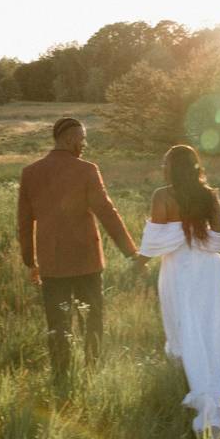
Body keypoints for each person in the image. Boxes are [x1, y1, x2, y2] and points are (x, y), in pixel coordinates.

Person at [17, 117, 142, 381]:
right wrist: (131, 252)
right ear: (70, 139)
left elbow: (24, 222)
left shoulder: (30, 173)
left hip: (51, 262)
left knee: (58, 323)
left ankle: (61, 376)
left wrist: (31, 262)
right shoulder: (86, 170)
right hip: (86, 260)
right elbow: (107, 213)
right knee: (92, 321)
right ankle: (92, 373)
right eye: (82, 139)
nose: (84, 145)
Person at [136, 145, 220, 439]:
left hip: (179, 269)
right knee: (211, 322)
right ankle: (215, 386)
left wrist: (138, 262)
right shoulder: (209, 196)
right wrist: (195, 238)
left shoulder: (162, 196)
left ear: (170, 167)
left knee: (183, 319)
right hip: (209, 270)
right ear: (195, 167)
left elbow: (154, 241)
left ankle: (192, 377)